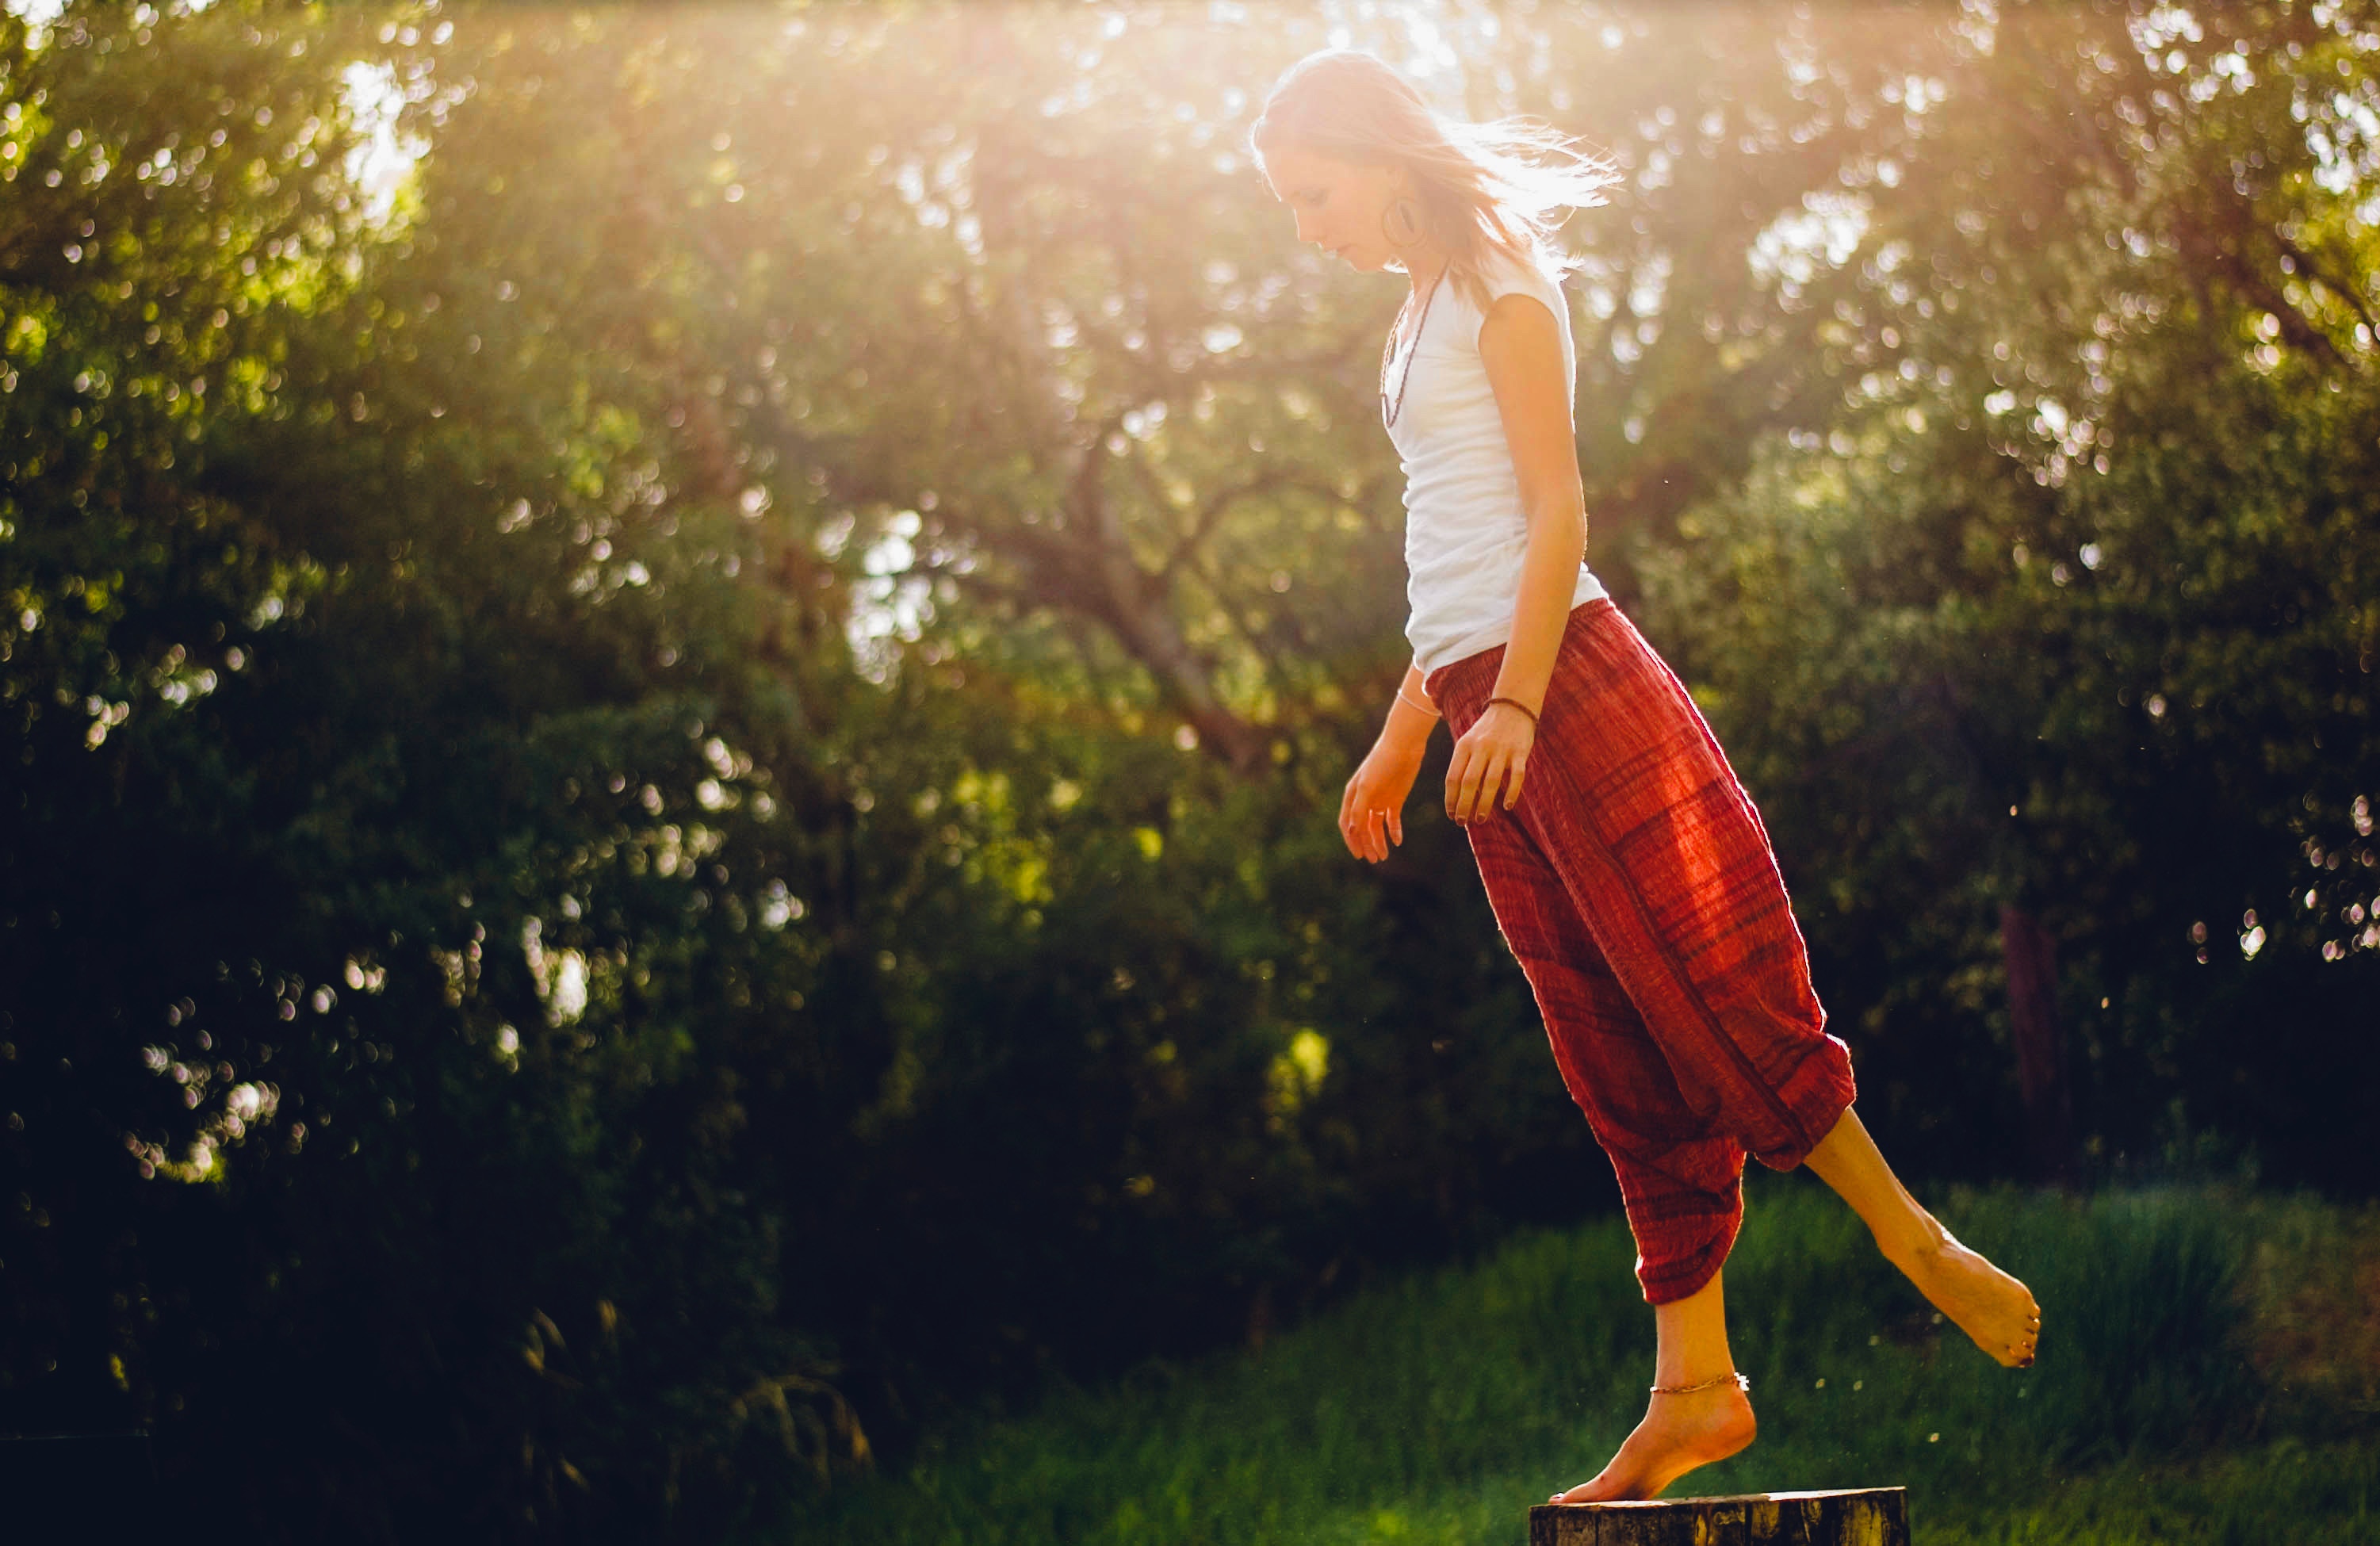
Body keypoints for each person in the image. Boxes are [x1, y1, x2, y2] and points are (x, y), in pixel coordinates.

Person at [1249, 51, 2041, 1505]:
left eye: (1312, 192)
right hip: (1481, 695)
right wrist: (1406, 730)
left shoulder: (1497, 281)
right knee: (1607, 1038)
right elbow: (1454, 545)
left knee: (1706, 977)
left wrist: (1521, 706)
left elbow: (1557, 510)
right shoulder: (1409, 313)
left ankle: (1908, 1234)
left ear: (1375, 155)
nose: (1305, 226)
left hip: (1565, 683)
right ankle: (1695, 1385)